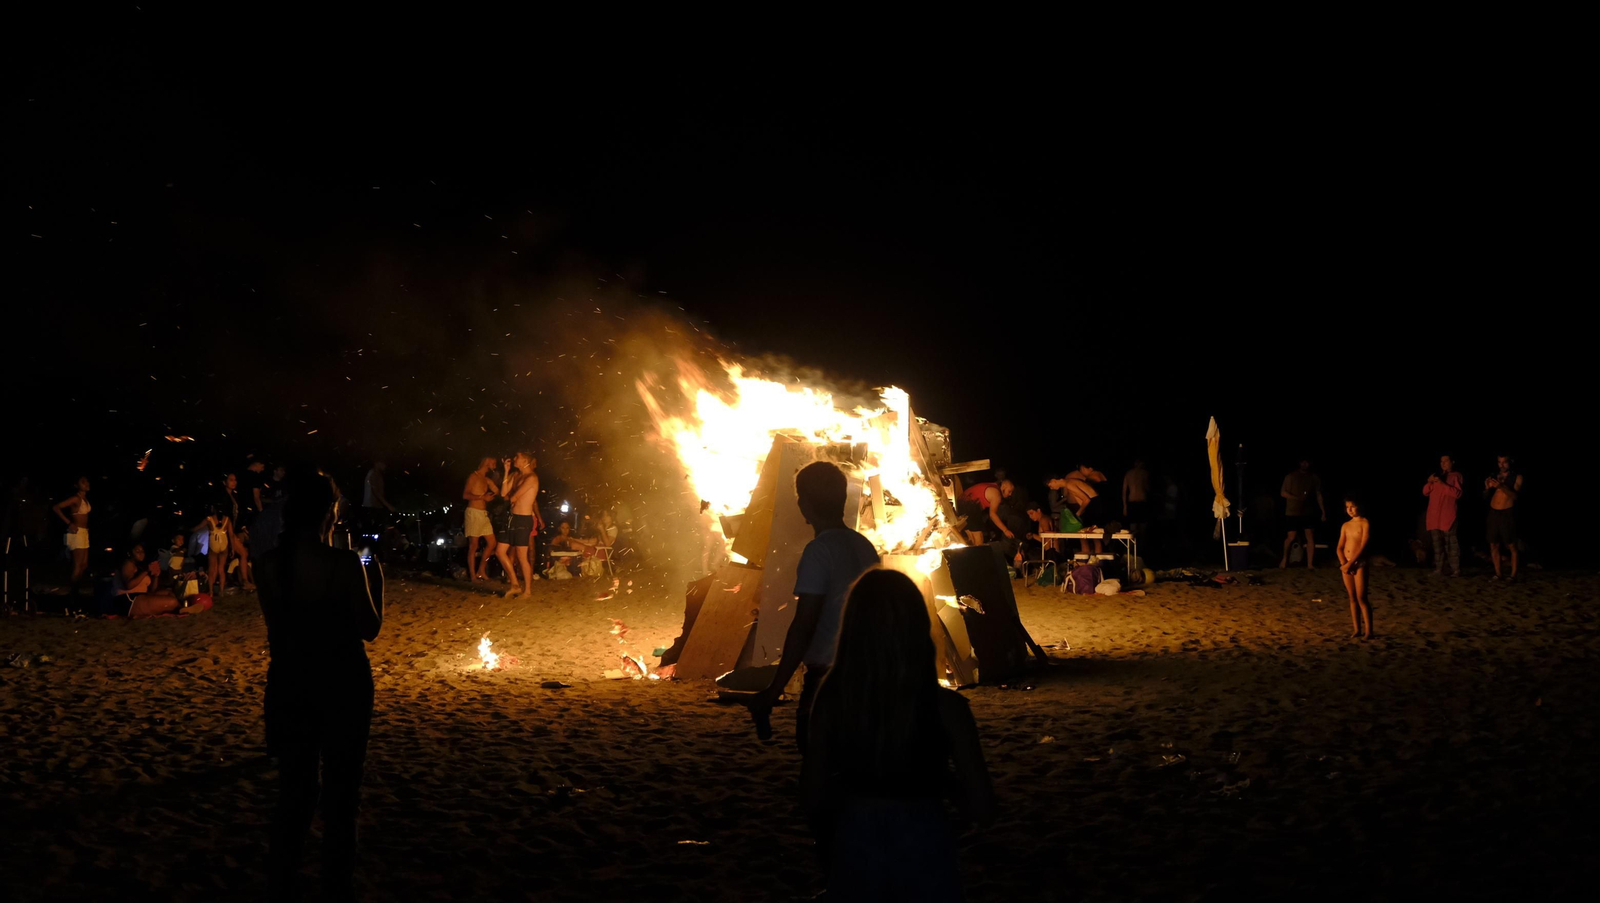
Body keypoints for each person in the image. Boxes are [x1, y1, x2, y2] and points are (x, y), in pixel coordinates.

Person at [802, 568, 995, 899]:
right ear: (918, 627)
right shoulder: (947, 708)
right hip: (924, 843)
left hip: (855, 840)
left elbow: (812, 791)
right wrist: (944, 784)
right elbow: (984, 807)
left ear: (852, 627)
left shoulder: (833, 696)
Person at [256, 470, 383, 901]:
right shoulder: (344, 563)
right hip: (342, 682)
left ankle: (283, 880)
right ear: (328, 514)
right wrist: (375, 576)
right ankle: (336, 885)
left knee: (295, 791)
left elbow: (280, 625)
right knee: (342, 794)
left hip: (290, 681)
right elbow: (370, 628)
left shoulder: (268, 565)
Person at [746, 461, 882, 751]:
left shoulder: (818, 551)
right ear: (842, 500)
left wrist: (774, 689)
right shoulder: (864, 545)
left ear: (803, 504)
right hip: (867, 677)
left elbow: (804, 623)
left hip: (828, 682)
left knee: (819, 769)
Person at [492, 452, 542, 598]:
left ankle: (527, 591)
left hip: (523, 519)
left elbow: (515, 496)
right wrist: (506, 471)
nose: (514, 459)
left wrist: (511, 498)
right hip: (512, 517)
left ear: (525, 460)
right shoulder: (515, 475)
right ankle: (514, 584)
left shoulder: (532, 478)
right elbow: (503, 493)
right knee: (500, 551)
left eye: (517, 457)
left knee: (521, 556)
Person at [1336, 496, 1373, 639]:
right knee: (1352, 598)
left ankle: (1369, 631)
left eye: (1352, 506)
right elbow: (1339, 547)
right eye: (1347, 507)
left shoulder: (1365, 523)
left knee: (1361, 597)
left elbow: (1363, 546)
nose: (1349, 510)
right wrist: (1343, 564)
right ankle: (1357, 629)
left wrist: (1351, 563)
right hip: (1346, 565)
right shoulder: (1345, 525)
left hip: (1359, 564)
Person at [1279, 459, 1327, 569]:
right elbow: (1283, 492)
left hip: (1308, 511)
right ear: (1299, 463)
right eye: (1303, 462)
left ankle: (1310, 564)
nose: (1305, 464)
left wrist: (1323, 511)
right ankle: (1284, 559)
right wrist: (1297, 498)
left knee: (1310, 536)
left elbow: (1318, 495)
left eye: (1307, 462)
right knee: (1291, 536)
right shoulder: (1291, 476)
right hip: (1293, 511)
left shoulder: (1313, 478)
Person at [1483, 454, 1524, 581]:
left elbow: (1515, 496)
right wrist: (1487, 488)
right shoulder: (1494, 476)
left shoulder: (1517, 477)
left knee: (1511, 545)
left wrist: (1500, 486)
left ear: (1510, 462)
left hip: (1507, 512)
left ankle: (1513, 575)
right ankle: (1498, 573)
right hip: (1493, 512)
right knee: (1493, 544)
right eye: (1499, 462)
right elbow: (1484, 497)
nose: (1501, 465)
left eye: (1504, 462)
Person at [1423, 455, 1465, 576]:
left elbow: (1457, 494)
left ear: (1452, 462)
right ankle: (1438, 569)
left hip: (1448, 516)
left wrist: (1442, 484)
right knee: (1437, 545)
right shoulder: (1437, 476)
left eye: (1446, 461)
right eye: (1441, 461)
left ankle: (1456, 570)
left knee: (1451, 545)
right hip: (1434, 517)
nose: (1443, 464)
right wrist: (1429, 481)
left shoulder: (1456, 476)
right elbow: (1425, 491)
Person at [461, 456, 500, 582]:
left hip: (483, 514)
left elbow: (497, 491)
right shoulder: (474, 476)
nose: (495, 465)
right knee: (474, 545)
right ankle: (473, 576)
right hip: (473, 512)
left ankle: (481, 570)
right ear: (487, 463)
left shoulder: (486, 479)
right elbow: (465, 495)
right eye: (493, 462)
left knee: (492, 543)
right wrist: (482, 497)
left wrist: (494, 488)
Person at [52, 476, 93, 584]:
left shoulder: (85, 499)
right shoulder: (75, 498)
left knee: (84, 564)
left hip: (84, 532)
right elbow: (56, 507)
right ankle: (73, 593)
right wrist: (69, 523)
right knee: (78, 565)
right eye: (83, 482)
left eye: (87, 481)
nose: (86, 483)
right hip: (77, 532)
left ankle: (75, 586)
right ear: (76, 485)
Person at [199, 505, 238, 596]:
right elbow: (231, 535)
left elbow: (198, 527)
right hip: (224, 545)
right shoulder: (227, 520)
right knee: (221, 569)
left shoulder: (209, 519)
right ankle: (221, 591)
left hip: (214, 544)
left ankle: (211, 592)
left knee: (212, 569)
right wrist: (232, 548)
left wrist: (188, 530)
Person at [1122, 459, 1152, 539]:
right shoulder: (1144, 473)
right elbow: (1147, 488)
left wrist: (1125, 506)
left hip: (1136, 502)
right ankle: (1136, 548)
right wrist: (1125, 507)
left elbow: (1124, 491)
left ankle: (1139, 548)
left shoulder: (1130, 473)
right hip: (1139, 502)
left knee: (1138, 527)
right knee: (1137, 528)